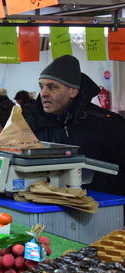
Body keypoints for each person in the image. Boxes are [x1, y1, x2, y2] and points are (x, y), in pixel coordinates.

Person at [23, 55, 125, 195]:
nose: (43, 93)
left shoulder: (108, 124)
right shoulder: (34, 124)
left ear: (73, 91)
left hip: (102, 208)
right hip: (49, 206)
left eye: (52, 87)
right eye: (42, 87)